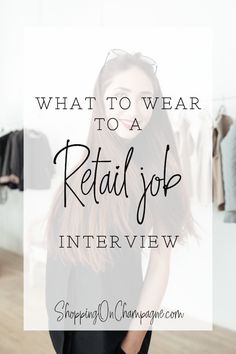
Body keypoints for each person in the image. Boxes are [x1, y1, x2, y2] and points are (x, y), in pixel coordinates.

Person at [46, 49, 193, 354]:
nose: (134, 110)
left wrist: (132, 343)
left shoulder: (156, 171)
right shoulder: (80, 166)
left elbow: (160, 262)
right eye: (122, 95)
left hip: (113, 332)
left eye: (145, 99)